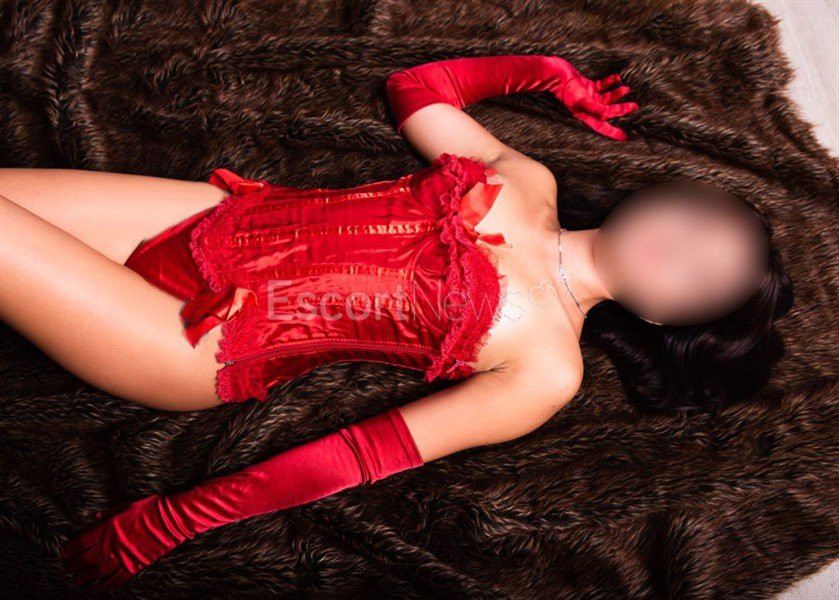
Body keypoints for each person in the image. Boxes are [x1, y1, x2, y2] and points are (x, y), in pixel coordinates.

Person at [0, 54, 778, 590]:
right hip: (206, 220)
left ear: (659, 316)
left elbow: (360, 454)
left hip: (189, 342)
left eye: (697, 274)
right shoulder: (527, 178)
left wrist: (173, 521)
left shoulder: (548, 369)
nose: (681, 246)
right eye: (697, 223)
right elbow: (416, 88)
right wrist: (544, 74)